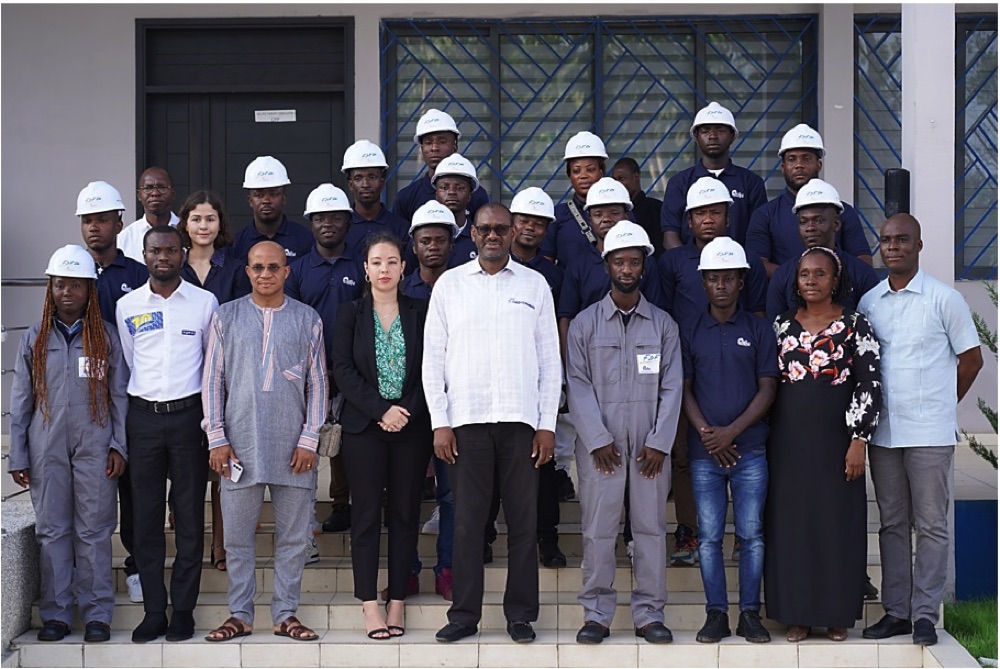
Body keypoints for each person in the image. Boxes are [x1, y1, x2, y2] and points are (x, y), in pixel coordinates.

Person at [424, 203, 561, 644]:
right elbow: (433, 361)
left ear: (514, 231)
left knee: (523, 523)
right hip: (466, 422)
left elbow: (549, 361)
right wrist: (440, 423)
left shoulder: (535, 285)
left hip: (522, 422)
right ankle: (464, 616)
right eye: (485, 228)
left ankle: (520, 615)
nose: (493, 235)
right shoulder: (450, 285)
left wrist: (547, 425)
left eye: (502, 228)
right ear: (473, 234)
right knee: (467, 523)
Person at [859, 214, 984, 647]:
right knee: (892, 523)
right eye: (887, 240)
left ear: (919, 244)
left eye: (902, 240)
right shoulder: (870, 302)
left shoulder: (943, 299)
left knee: (931, 525)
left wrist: (941, 405)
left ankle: (926, 615)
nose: (893, 247)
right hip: (885, 433)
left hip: (929, 433)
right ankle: (896, 611)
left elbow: (971, 360)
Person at [202, 241, 328, 643]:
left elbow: (319, 385)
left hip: (294, 449)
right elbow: (212, 382)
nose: (265, 274)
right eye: (258, 267)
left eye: (274, 267)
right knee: (237, 538)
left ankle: (286, 613)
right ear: (248, 271)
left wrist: (310, 439)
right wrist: (216, 437)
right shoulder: (226, 317)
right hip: (239, 446)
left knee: (294, 538)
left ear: (287, 272)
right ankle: (240, 613)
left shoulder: (308, 319)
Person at [565, 221, 682, 645]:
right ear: (607, 264)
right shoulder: (584, 325)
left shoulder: (664, 326)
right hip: (603, 448)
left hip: (649, 446)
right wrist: (596, 438)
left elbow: (672, 386)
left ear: (644, 266)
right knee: (598, 529)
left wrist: (658, 442)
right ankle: (597, 613)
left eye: (635, 261)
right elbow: (576, 383)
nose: (627, 268)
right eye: (620, 260)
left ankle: (649, 613)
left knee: (650, 528)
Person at [8, 245, 129, 644]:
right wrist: (19, 454)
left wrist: (119, 446)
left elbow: (120, 397)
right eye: (60, 284)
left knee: (94, 530)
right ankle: (57, 614)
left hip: (95, 444)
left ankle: (97, 614)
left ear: (89, 290)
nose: (67, 292)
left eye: (76, 285)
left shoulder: (106, 337)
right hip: (46, 447)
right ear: (51, 289)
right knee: (53, 530)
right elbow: (21, 401)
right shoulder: (35, 338)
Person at [764, 246, 882, 642]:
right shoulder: (780, 325)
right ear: (795, 281)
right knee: (792, 527)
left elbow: (869, 383)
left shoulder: (855, 324)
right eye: (804, 274)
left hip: (837, 444)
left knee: (836, 527)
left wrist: (859, 440)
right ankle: (796, 615)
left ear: (836, 280)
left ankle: (836, 615)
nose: (811, 281)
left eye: (820, 274)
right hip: (788, 444)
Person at [659, 177, 769, 565]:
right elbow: (663, 317)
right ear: (688, 220)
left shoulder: (747, 262)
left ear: (728, 216)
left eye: (716, 212)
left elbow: (756, 313)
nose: (708, 219)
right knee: (687, 454)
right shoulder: (672, 262)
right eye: (700, 213)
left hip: (737, 364)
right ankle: (689, 532)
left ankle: (743, 535)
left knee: (742, 451)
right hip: (686, 367)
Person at [116, 225, 218, 643]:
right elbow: (127, 359)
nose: (164, 257)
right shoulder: (126, 306)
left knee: (191, 517)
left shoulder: (205, 303)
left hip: (189, 417)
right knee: (145, 519)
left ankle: (184, 611)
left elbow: (213, 368)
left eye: (171, 250)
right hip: (142, 419)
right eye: (156, 250)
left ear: (183, 253)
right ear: (144, 255)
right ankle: (154, 610)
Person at [331, 232, 432, 640]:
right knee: (367, 515)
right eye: (377, 262)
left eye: (392, 261)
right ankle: (369, 604)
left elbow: (433, 366)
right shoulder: (349, 314)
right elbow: (342, 369)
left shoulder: (420, 311)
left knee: (406, 514)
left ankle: (397, 603)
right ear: (366, 268)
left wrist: (403, 412)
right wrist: (381, 411)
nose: (384, 269)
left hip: (411, 426)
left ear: (404, 267)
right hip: (365, 429)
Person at [680, 237, 777, 644]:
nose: (721, 285)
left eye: (729, 278)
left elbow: (768, 388)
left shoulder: (758, 329)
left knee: (752, 535)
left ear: (741, 282)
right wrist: (707, 434)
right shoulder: (689, 330)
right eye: (713, 278)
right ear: (703, 283)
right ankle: (716, 613)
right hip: (705, 456)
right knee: (709, 537)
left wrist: (730, 433)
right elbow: (682, 389)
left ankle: (750, 614)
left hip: (750, 449)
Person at [76, 181, 147, 605]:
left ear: (120, 223)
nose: (94, 228)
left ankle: (137, 565)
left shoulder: (138, 274)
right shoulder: (73, 273)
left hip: (129, 399)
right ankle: (86, 576)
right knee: (90, 493)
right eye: (87, 220)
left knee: (134, 490)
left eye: (102, 219)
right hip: (83, 402)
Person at [285, 183, 364, 537]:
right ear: (310, 223)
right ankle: (312, 513)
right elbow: (290, 322)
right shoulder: (298, 271)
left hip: (356, 369)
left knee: (353, 442)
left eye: (335, 217)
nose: (327, 223)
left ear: (348, 222)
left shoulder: (361, 265)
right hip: (309, 371)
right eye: (320, 217)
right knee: (307, 441)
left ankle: (348, 505)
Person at [176, 190, 245, 572]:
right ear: (184, 224)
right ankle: (189, 543)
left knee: (224, 465)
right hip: (184, 379)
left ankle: (222, 546)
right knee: (186, 468)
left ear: (221, 225)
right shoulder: (172, 265)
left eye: (211, 219)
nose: (204, 226)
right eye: (196, 219)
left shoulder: (234, 268)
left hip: (227, 377)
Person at [401, 201, 460, 602]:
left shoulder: (464, 286)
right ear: (414, 245)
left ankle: (447, 570)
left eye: (440, 240)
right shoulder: (400, 289)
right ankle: (407, 572)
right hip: (408, 406)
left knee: (452, 495)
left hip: (453, 406)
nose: (433, 247)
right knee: (405, 493)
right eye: (426, 240)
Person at [745, 124, 873, 276]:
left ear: (819, 165)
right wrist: (802, 277)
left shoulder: (842, 211)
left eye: (806, 159)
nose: (799, 165)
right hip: (784, 297)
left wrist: (826, 277)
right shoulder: (765, 214)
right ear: (783, 167)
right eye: (792, 159)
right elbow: (757, 264)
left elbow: (863, 261)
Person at [766, 179, 879, 321]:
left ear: (836, 223)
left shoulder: (862, 274)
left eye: (819, 220)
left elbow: (872, 326)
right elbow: (774, 328)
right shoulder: (783, 275)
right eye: (803, 221)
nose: (810, 228)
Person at [661, 101, 767, 251]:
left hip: (738, 269)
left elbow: (758, 236)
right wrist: (688, 265)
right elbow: (670, 236)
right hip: (691, 271)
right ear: (696, 137)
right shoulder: (678, 183)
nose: (712, 136)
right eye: (705, 131)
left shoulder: (751, 183)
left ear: (732, 136)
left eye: (720, 130)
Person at [392, 108, 489, 223]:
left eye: (442, 142)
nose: (434, 148)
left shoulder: (476, 194)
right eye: (428, 143)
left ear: (455, 146)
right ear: (422, 149)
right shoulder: (406, 198)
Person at [540, 131, 611, 263]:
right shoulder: (556, 216)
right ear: (570, 175)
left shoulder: (620, 212)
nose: (583, 176)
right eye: (576, 171)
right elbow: (546, 264)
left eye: (590, 169)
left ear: (601, 172)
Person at [230, 156, 313, 262]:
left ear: (284, 198)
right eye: (259, 195)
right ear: (250, 200)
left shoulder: (305, 239)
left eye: (273, 194)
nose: (266, 200)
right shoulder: (236, 245)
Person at [342, 140, 411, 253]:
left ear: (382, 181)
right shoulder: (341, 229)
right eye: (358, 178)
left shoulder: (401, 228)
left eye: (372, 177)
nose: (365, 184)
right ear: (350, 184)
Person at [118, 167, 179, 262]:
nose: (155, 193)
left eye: (162, 187)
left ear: (173, 194)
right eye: (148, 188)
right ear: (139, 195)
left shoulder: (187, 231)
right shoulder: (125, 239)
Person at [431, 153, 481, 265]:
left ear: (469, 195)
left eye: (460, 188)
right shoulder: (424, 237)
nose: (452, 192)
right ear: (436, 194)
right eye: (444, 187)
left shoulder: (479, 237)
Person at [612, 157, 664, 257]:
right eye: (615, 180)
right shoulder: (611, 213)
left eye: (621, 179)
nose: (618, 185)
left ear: (636, 176)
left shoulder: (656, 209)